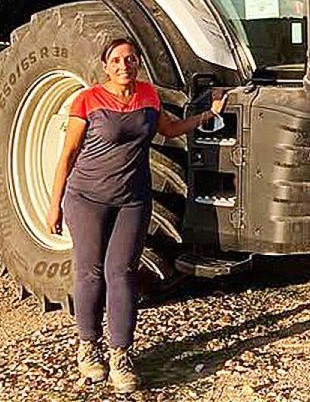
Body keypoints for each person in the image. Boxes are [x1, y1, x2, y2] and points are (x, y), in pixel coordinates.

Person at [46, 38, 226, 393]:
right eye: (116, 60)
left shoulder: (148, 96)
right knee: (90, 271)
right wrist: (55, 205)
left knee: (123, 272)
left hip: (133, 199)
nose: (123, 65)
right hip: (86, 198)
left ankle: (120, 354)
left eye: (130, 59)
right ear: (105, 66)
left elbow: (170, 130)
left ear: (137, 63)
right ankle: (88, 346)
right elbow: (67, 155)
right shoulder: (87, 100)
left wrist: (208, 115)